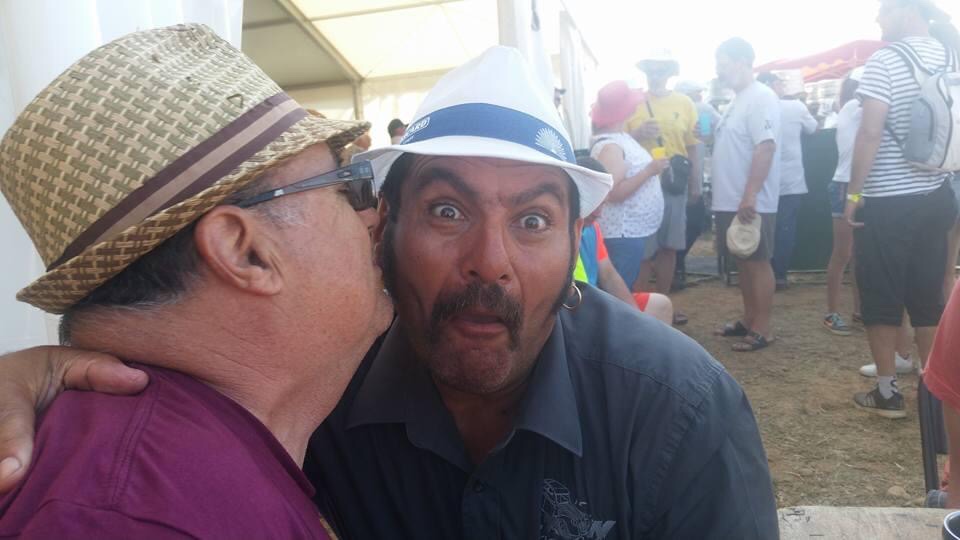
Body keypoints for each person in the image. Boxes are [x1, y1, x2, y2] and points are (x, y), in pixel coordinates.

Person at [0, 46, 780, 538]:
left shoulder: (676, 410)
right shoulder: (311, 388)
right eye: (446, 211)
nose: (490, 263)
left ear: (576, 238)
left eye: (534, 220)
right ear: (388, 227)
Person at [0, 24, 393, 538]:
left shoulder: (156, 472)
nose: (372, 216)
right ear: (245, 251)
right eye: (345, 187)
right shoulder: (130, 517)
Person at [844, 0, 959, 418]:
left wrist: (853, 194)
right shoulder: (950, 55)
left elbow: (870, 131)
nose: (878, 18)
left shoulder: (886, 60)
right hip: (938, 191)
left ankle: (888, 392)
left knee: (880, 293)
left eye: (884, 10)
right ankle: (933, 395)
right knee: (927, 293)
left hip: (889, 198)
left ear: (908, 10)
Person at [711, 37, 782, 352]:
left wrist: (750, 194)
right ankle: (749, 318)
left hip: (751, 200)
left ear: (742, 62)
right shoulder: (737, 100)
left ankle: (762, 328)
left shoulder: (761, 97)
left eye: (723, 65)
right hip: (731, 197)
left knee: (757, 261)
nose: (720, 72)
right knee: (742, 260)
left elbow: (765, 146)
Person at [628, 50, 701, 325]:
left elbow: (693, 146)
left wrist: (695, 184)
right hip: (642, 184)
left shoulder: (685, 103)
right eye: (651, 70)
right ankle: (641, 308)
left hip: (673, 184)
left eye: (661, 70)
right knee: (645, 251)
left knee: (669, 246)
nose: (655, 75)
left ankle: (663, 305)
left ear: (671, 73)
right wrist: (637, 133)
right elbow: (615, 138)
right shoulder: (634, 102)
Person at [575, 156, 675, 324]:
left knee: (661, 305)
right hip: (579, 310)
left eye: (603, 204)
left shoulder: (592, 229)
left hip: (594, 302)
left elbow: (609, 275)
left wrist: (634, 315)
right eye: (594, 203)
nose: (599, 213)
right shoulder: (561, 233)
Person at [590, 80, 668, 290]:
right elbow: (613, 193)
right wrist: (649, 170)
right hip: (621, 233)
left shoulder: (618, 138)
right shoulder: (611, 146)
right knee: (618, 289)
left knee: (625, 284)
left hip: (628, 231)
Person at [757, 72, 818, 291]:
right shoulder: (795, 107)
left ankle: (761, 274)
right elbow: (814, 129)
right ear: (773, 84)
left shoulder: (755, 107)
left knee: (762, 228)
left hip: (761, 179)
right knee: (785, 228)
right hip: (790, 180)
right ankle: (779, 275)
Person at [823, 69, 865, 336]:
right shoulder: (853, 107)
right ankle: (831, 313)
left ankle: (860, 310)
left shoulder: (851, 108)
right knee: (843, 253)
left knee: (859, 254)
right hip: (846, 185)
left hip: (857, 186)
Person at [674, 80, 720, 290]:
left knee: (680, 225)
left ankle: (676, 265)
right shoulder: (702, 109)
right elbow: (720, 127)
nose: (700, 96)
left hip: (675, 174)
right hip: (692, 174)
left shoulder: (676, 108)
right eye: (697, 92)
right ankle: (676, 263)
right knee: (694, 221)